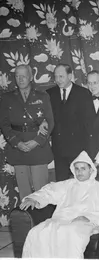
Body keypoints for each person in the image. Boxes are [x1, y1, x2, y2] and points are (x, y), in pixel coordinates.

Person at [20, 151, 99, 258]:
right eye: (77, 169)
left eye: (83, 168)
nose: (79, 172)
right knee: (37, 232)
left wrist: (88, 218)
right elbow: (49, 192)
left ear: (91, 170)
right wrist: (34, 199)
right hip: (61, 219)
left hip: (83, 223)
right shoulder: (67, 184)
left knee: (71, 233)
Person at [0, 65, 54, 199]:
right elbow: (4, 124)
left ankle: (43, 220)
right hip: (18, 149)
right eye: (17, 76)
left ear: (30, 77)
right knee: (25, 194)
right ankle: (27, 220)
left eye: (23, 76)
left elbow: (50, 121)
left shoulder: (43, 96)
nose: (20, 79)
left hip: (38, 149)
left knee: (41, 194)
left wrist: (37, 141)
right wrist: (17, 143)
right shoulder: (7, 98)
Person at [47, 64, 94, 181]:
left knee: (79, 183)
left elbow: (89, 123)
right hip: (59, 149)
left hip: (78, 149)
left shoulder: (83, 93)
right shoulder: (49, 94)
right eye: (56, 77)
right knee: (62, 182)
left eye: (61, 76)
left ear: (70, 76)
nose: (58, 80)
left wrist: (87, 150)